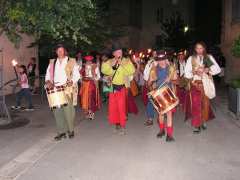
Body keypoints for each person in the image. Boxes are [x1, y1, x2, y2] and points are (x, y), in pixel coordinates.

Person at [45, 44, 80, 141]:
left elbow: (77, 75)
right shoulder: (52, 62)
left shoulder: (71, 61)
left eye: (62, 50)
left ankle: (71, 130)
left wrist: (71, 81)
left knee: (69, 111)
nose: (60, 52)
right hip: (55, 89)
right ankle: (61, 132)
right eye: (58, 50)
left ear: (65, 51)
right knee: (57, 111)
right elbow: (48, 74)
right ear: (56, 52)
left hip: (67, 88)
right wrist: (48, 81)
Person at [185, 42, 221, 133]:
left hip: (206, 84)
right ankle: (197, 124)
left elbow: (218, 69)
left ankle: (204, 120)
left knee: (205, 104)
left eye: (201, 48)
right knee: (196, 105)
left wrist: (208, 69)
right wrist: (195, 72)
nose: (199, 50)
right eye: (197, 48)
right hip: (195, 84)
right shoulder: (191, 58)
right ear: (195, 49)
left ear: (204, 48)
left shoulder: (208, 57)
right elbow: (186, 73)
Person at [101, 42, 135, 135]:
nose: (119, 53)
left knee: (121, 107)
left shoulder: (127, 60)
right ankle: (117, 124)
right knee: (113, 107)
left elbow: (132, 70)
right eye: (117, 51)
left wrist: (122, 64)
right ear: (113, 54)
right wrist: (113, 66)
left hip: (122, 87)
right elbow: (104, 70)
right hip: (112, 87)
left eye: (120, 51)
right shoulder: (109, 61)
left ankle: (122, 125)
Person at [148, 50, 175, 142]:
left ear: (166, 59)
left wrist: (170, 79)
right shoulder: (154, 69)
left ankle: (170, 134)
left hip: (168, 92)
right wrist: (153, 82)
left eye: (163, 59)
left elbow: (177, 80)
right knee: (160, 113)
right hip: (158, 93)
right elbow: (150, 82)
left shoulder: (171, 68)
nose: (161, 61)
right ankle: (161, 130)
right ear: (157, 60)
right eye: (159, 59)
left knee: (169, 113)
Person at [79, 55, 101, 120]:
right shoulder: (83, 67)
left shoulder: (95, 66)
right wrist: (81, 79)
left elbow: (98, 77)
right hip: (84, 85)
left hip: (92, 84)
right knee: (84, 99)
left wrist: (93, 77)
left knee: (91, 99)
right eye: (87, 61)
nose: (88, 62)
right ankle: (87, 113)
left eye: (90, 61)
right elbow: (79, 76)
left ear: (91, 61)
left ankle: (91, 113)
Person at [143, 50, 157, 126]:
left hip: (159, 83)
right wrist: (146, 82)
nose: (155, 55)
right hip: (150, 84)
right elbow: (146, 73)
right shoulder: (149, 63)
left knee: (160, 100)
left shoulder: (162, 61)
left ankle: (164, 115)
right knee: (150, 101)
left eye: (156, 53)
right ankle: (150, 119)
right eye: (154, 54)